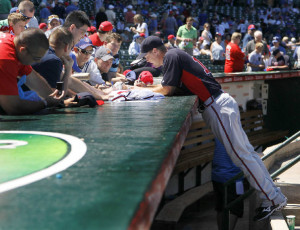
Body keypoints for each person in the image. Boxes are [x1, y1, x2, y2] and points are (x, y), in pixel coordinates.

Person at [136, 35, 287, 222]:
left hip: (217, 106)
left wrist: (139, 91)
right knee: (247, 154)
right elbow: (172, 87)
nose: (147, 60)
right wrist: (148, 87)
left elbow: (167, 90)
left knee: (242, 156)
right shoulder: (175, 55)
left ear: (155, 51)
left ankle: (272, 198)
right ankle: (273, 196)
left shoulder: (171, 56)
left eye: (147, 56)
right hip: (219, 104)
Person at [0, 28, 74, 115]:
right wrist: (46, 103)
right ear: (67, 47)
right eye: (36, 59)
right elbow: (13, 107)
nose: (38, 62)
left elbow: (48, 91)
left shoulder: (14, 43)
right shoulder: (55, 61)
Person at [212, 139, 244, 230]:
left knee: (221, 208)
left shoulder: (219, 128)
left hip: (217, 175)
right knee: (235, 208)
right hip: (234, 178)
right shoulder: (235, 131)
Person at [32, 27, 74, 93]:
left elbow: (57, 86)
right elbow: (58, 95)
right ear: (66, 47)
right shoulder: (54, 61)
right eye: (71, 48)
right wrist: (68, 70)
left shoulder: (43, 50)